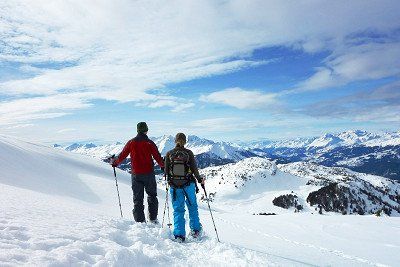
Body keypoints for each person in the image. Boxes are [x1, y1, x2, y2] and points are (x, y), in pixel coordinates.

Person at [111, 122, 164, 223]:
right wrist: (163, 166)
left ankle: (140, 222)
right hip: (149, 174)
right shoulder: (150, 143)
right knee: (152, 195)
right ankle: (153, 219)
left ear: (137, 130)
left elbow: (122, 155)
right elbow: (157, 157)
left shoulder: (131, 142)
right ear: (146, 130)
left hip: (136, 174)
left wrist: (115, 163)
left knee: (138, 198)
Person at [165, 133, 204, 242]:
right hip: (188, 184)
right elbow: (195, 169)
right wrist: (200, 180)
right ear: (185, 141)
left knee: (178, 210)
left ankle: (179, 235)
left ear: (175, 141)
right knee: (192, 207)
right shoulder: (188, 153)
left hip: (174, 186)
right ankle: (195, 231)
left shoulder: (169, 153)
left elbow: (166, 172)